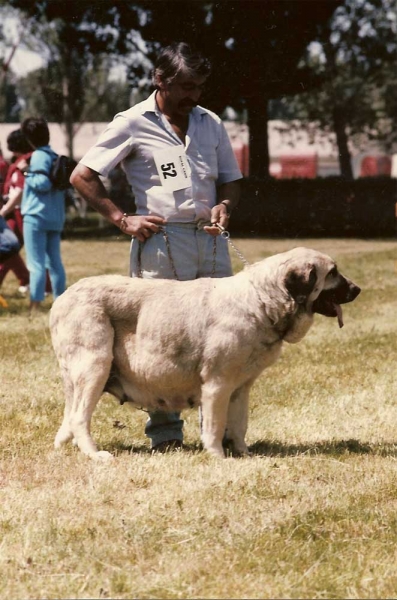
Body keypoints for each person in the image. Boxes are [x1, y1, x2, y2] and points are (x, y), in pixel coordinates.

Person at [70, 42, 242, 452]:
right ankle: (165, 436)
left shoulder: (210, 123)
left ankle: (219, 434)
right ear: (159, 80)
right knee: (164, 341)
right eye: (185, 86)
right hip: (163, 244)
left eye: (199, 87)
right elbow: (83, 175)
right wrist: (122, 218)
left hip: (211, 241)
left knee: (224, 338)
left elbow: (230, 179)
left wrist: (225, 204)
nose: (194, 96)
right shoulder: (131, 122)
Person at [18, 118, 66, 312]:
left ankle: (35, 305)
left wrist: (26, 172)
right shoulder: (54, 155)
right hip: (55, 216)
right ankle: (61, 302)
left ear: (28, 138)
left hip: (36, 216)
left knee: (35, 263)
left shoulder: (37, 156)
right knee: (55, 262)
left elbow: (42, 183)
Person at [0, 130, 32, 294]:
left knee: (8, 247)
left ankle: (30, 281)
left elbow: (19, 189)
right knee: (10, 249)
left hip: (16, 211)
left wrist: (4, 210)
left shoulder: (21, 163)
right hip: (12, 209)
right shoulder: (16, 162)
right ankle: (26, 279)